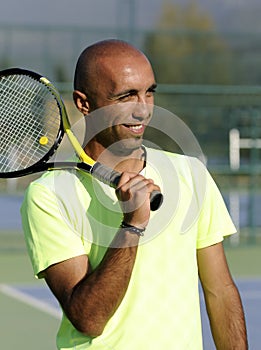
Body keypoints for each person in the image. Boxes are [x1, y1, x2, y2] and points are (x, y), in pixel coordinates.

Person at [21, 39, 248, 349]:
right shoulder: (47, 196)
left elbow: (220, 291)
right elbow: (88, 318)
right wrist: (132, 225)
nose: (143, 109)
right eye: (126, 96)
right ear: (84, 103)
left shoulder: (191, 174)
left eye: (149, 92)